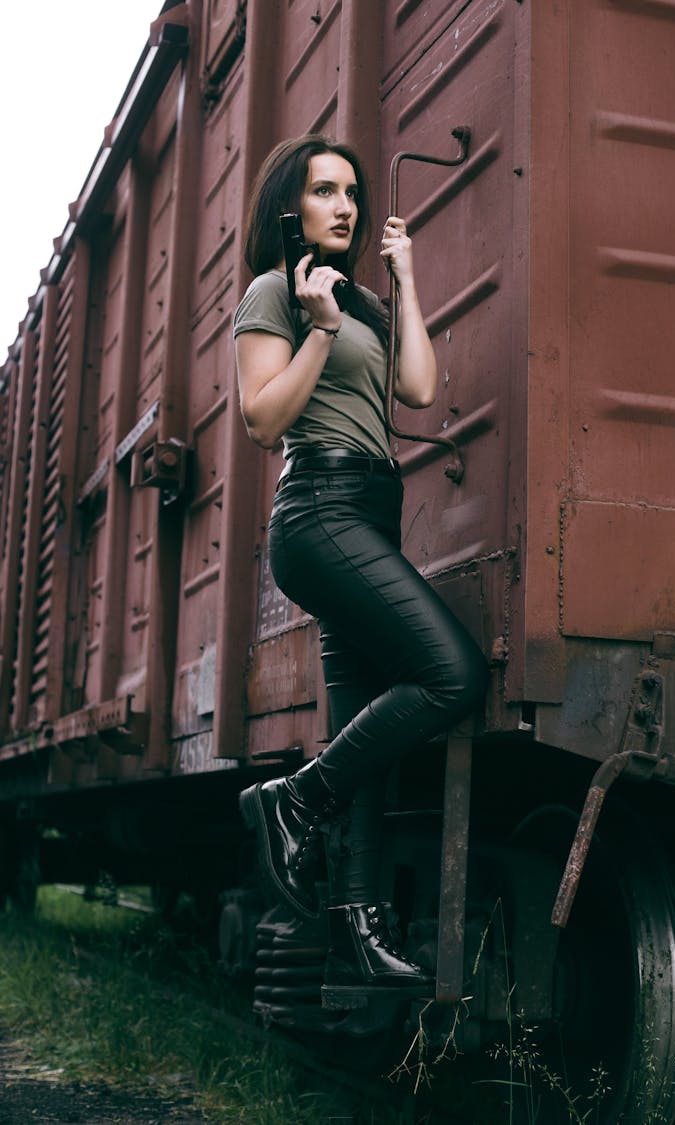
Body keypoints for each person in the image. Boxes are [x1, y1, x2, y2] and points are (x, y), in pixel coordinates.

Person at [234, 134, 488, 995]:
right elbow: (263, 421)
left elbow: (418, 390)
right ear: (290, 209)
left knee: (363, 738)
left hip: (372, 513)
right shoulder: (276, 293)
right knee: (453, 673)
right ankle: (295, 800)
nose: (344, 206)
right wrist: (320, 332)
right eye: (324, 192)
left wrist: (406, 280)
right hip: (318, 514)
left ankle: (357, 926)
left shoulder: (365, 302)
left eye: (351, 191)